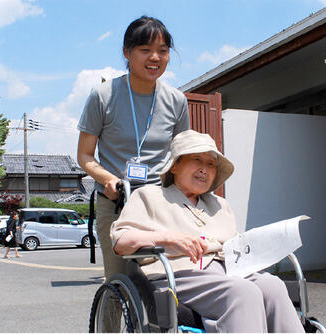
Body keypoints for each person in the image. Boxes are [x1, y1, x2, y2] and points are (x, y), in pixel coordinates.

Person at [110, 130, 304, 333]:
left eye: (211, 164)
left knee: (273, 285)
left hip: (229, 270)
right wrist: (168, 238)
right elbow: (121, 241)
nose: (204, 169)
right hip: (181, 273)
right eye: (196, 159)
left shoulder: (220, 205)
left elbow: (235, 246)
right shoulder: (149, 196)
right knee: (243, 293)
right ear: (175, 165)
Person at [77, 15, 190, 279]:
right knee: (119, 281)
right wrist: (108, 179)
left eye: (163, 51)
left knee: (167, 279)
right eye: (145, 50)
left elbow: (183, 156)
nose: (155, 58)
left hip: (161, 202)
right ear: (127, 52)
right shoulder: (103, 96)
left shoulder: (176, 100)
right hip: (117, 201)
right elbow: (84, 155)